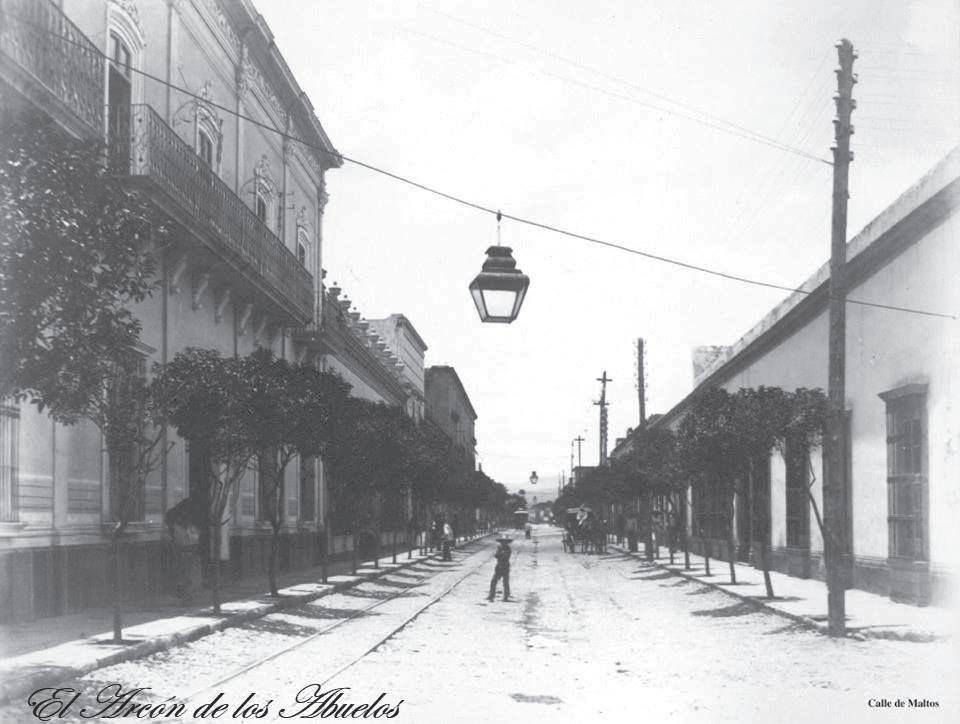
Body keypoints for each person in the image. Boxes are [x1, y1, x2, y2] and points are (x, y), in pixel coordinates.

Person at [488, 537, 512, 602]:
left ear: (507, 543)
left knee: (505, 582)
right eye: (502, 542)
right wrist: (500, 552)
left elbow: (506, 557)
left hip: (505, 567)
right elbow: (496, 556)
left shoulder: (508, 549)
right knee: (493, 581)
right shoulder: (499, 548)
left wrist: (501, 553)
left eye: (504, 542)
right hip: (498, 567)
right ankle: (491, 595)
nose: (503, 543)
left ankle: (506, 596)